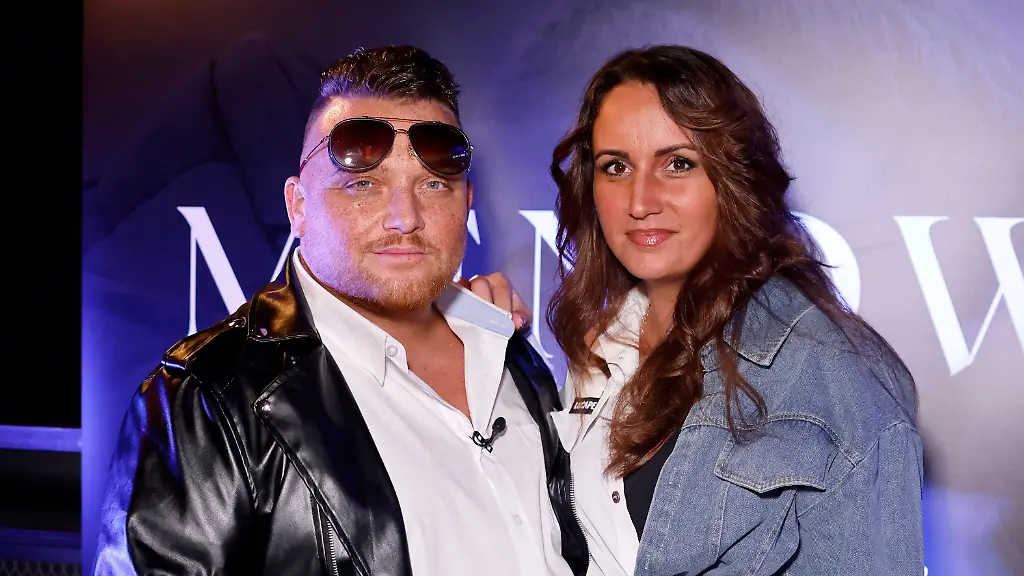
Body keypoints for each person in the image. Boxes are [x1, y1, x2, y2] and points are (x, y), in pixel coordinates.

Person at [92, 45, 587, 576]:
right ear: (297, 206)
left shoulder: (510, 350)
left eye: (433, 184)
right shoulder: (207, 400)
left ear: (466, 203)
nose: (405, 218)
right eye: (363, 185)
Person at [532, 44, 923, 575]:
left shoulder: (834, 375)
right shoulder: (604, 342)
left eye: (678, 164)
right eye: (616, 166)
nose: (640, 201)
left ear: (733, 178)